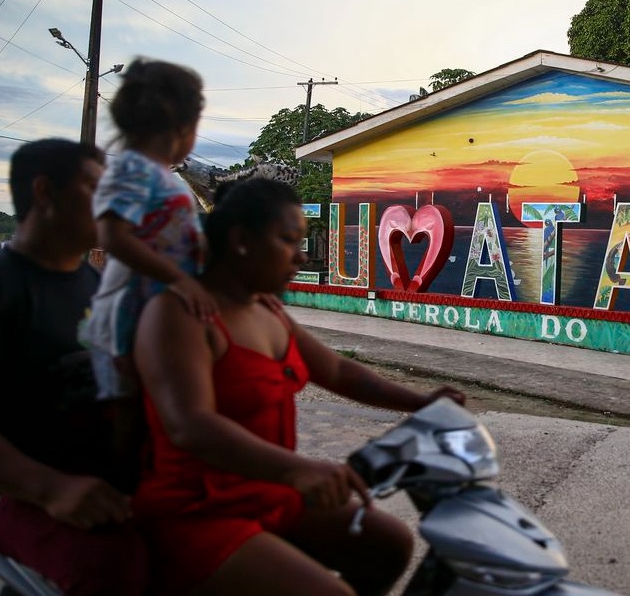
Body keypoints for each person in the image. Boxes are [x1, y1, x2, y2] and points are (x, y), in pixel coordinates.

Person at [132, 178, 465, 596]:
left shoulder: (266, 308)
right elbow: (189, 424)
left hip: (270, 493)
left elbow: (339, 372)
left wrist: (423, 401)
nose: (301, 256)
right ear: (240, 240)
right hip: (198, 511)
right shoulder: (178, 314)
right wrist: (298, 468)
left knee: (389, 545)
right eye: (289, 240)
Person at [0, 138, 148, 595]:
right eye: (95, 187)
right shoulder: (8, 287)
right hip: (27, 493)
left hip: (109, 490)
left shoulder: (99, 286)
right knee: (111, 570)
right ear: (45, 193)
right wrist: (49, 490)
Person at [81, 57, 216, 401]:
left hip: (155, 307)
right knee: (127, 408)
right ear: (182, 124)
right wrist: (179, 278)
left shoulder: (159, 174)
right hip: (128, 309)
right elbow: (113, 235)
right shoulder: (134, 169)